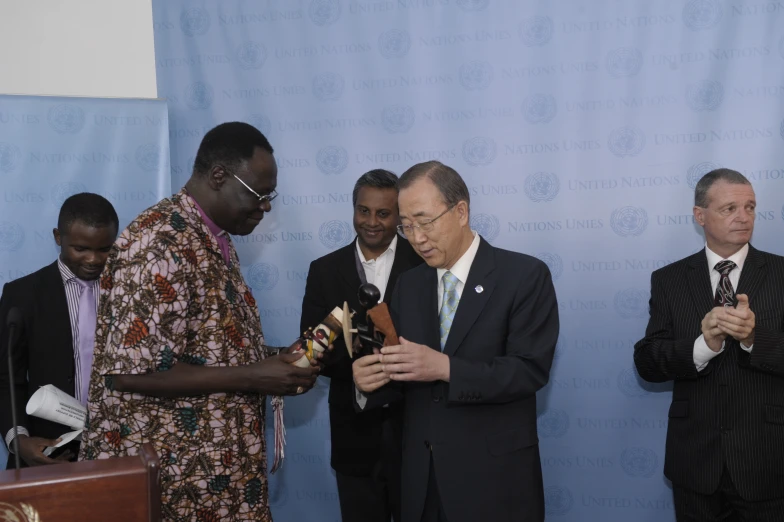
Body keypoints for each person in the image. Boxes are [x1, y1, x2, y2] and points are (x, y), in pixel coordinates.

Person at [79, 122, 319, 522]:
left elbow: (210, 347)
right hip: (173, 487)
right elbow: (131, 373)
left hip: (217, 482)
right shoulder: (157, 242)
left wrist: (278, 360)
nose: (266, 207)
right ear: (219, 176)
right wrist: (254, 376)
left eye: (270, 196)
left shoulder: (212, 238)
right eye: (259, 195)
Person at [352, 161, 559, 522]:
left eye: (425, 221)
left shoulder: (524, 276)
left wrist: (445, 368)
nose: (417, 238)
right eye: (407, 226)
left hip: (495, 481)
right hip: (422, 482)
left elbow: (529, 370)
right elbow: (401, 372)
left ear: (460, 211)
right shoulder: (409, 285)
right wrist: (369, 382)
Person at [634, 168, 784, 521]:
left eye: (750, 207)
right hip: (696, 465)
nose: (743, 217)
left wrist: (751, 338)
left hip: (769, 464)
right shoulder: (669, 280)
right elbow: (647, 362)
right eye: (729, 208)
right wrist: (704, 344)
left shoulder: (781, 274)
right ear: (699, 215)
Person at [301, 169, 423, 522]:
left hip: (416, 432)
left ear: (399, 216)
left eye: (383, 214)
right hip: (353, 437)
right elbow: (313, 346)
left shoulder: (425, 264)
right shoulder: (323, 270)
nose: (371, 222)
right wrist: (354, 368)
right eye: (363, 211)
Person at [0, 193, 118, 468]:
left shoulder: (133, 291)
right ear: (58, 237)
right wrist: (19, 439)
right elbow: (5, 379)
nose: (93, 259)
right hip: (48, 450)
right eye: (80, 248)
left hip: (121, 447)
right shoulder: (23, 295)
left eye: (104, 249)